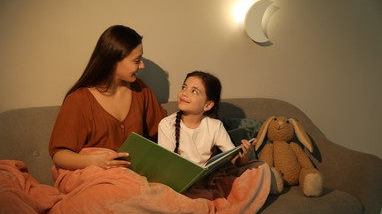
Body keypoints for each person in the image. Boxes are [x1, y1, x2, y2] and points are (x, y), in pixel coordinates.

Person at [49, 25, 166, 170]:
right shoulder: (79, 100)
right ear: (112, 62)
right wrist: (96, 161)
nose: (142, 65)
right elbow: (59, 155)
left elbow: (165, 131)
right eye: (136, 60)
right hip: (91, 175)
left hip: (131, 176)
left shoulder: (141, 91)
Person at [158, 71, 252, 167]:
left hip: (206, 177)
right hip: (178, 176)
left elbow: (235, 161)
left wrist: (244, 156)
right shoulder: (166, 124)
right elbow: (166, 164)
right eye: (184, 87)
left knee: (260, 167)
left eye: (194, 91)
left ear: (207, 105)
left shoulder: (215, 126)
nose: (185, 93)